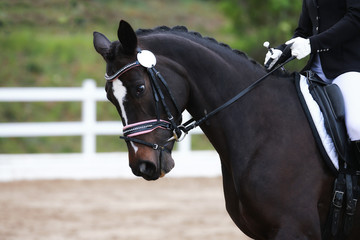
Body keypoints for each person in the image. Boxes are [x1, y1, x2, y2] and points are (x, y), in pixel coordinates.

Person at [264, 0, 360, 164]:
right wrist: (282, 51)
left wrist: (312, 44)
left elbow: (355, 18)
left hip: (347, 68)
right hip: (314, 71)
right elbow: (303, 31)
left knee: (356, 126)